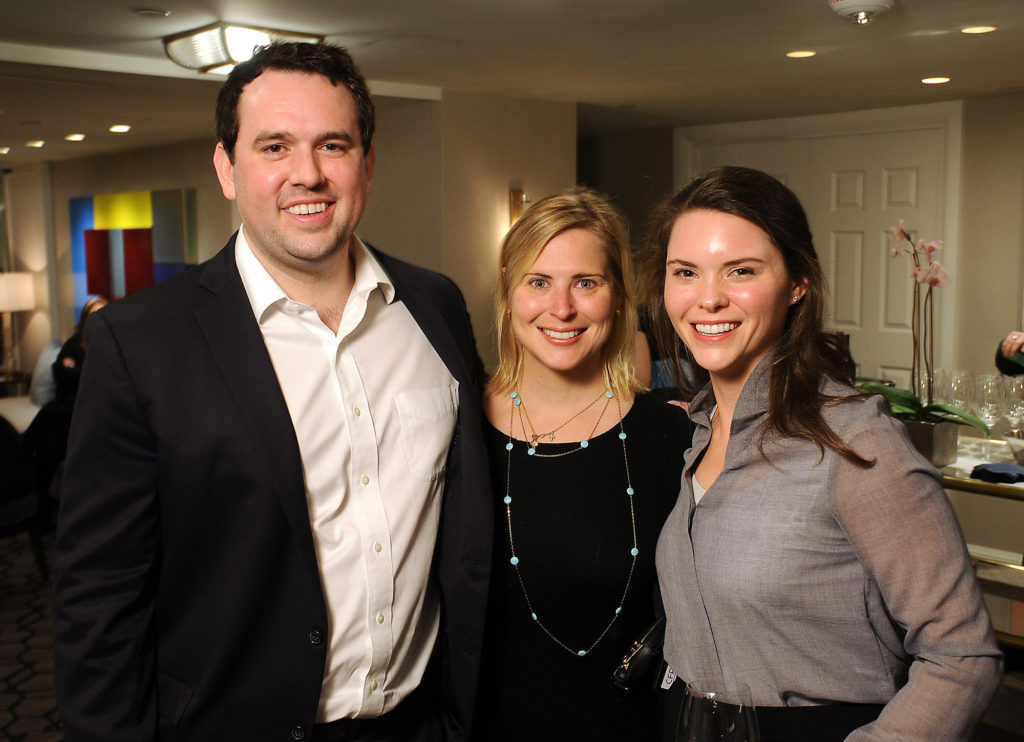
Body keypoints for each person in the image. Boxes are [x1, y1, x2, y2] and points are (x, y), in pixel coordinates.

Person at [52, 42, 491, 742]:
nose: (307, 174)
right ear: (228, 168)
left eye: (333, 145)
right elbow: (98, 597)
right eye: (275, 146)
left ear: (367, 165)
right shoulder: (141, 343)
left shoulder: (434, 308)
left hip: (421, 722)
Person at [645, 166, 1002, 742]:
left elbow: (962, 656)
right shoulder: (696, 429)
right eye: (685, 272)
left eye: (741, 271)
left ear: (797, 283)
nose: (707, 298)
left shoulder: (853, 441)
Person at [473, 188, 692, 742]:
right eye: (538, 281)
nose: (562, 308)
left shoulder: (673, 437)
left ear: (618, 295)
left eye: (586, 283)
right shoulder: (453, 427)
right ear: (507, 288)